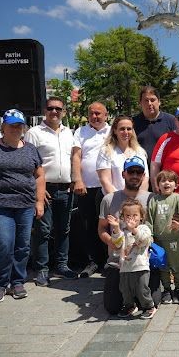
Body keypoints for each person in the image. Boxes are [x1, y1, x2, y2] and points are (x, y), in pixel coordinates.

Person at [0, 109, 45, 303]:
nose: (15, 129)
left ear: (24, 128)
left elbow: (39, 176)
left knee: (22, 245)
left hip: (25, 205)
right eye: (11, 125)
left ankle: (17, 281)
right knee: (4, 243)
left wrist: (39, 201)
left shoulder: (31, 149)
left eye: (19, 125)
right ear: (3, 127)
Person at [25, 96, 77, 285]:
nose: (54, 112)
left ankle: (62, 266)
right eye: (50, 108)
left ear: (64, 111)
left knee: (64, 229)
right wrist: (37, 188)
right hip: (45, 189)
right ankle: (42, 269)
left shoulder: (69, 133)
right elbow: (27, 162)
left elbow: (74, 159)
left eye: (58, 109)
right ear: (44, 110)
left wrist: (75, 179)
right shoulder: (34, 133)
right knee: (43, 230)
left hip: (66, 189)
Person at [98, 156, 155, 315]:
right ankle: (130, 300)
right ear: (123, 174)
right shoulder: (109, 199)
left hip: (143, 261)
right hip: (118, 262)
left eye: (139, 172)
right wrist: (111, 241)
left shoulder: (151, 198)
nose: (135, 175)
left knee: (151, 299)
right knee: (112, 307)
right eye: (131, 171)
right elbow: (102, 229)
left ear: (144, 176)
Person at [71, 102, 110, 277]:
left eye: (98, 113)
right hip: (86, 187)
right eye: (92, 113)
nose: (95, 116)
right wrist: (78, 180)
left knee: (108, 224)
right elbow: (76, 156)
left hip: (107, 187)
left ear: (106, 115)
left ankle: (109, 261)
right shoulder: (80, 132)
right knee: (88, 225)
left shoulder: (112, 131)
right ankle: (93, 261)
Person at [146, 170, 179, 304]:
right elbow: (149, 220)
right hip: (158, 241)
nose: (167, 183)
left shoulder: (178, 198)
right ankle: (166, 289)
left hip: (174, 240)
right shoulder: (154, 200)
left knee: (176, 265)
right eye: (163, 181)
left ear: (176, 185)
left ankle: (178, 288)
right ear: (158, 184)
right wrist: (149, 236)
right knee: (162, 265)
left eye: (170, 181)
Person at [107, 198, 156, 319]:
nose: (131, 218)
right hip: (125, 267)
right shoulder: (122, 232)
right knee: (125, 289)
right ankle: (129, 305)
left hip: (140, 266)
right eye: (128, 216)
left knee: (142, 288)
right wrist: (116, 228)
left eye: (135, 215)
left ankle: (149, 306)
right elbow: (117, 244)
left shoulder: (144, 228)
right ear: (123, 218)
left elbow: (144, 240)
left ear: (141, 217)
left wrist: (134, 230)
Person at [133, 86, 176, 183]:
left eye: (152, 100)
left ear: (159, 102)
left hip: (166, 177)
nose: (149, 103)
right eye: (146, 100)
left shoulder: (172, 121)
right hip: (140, 175)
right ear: (140, 103)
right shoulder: (133, 123)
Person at [97, 115, 149, 196]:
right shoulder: (106, 151)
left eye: (129, 129)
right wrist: (119, 199)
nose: (126, 132)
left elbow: (145, 179)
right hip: (112, 198)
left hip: (136, 200)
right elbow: (105, 180)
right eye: (122, 129)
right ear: (115, 130)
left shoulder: (140, 151)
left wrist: (138, 198)